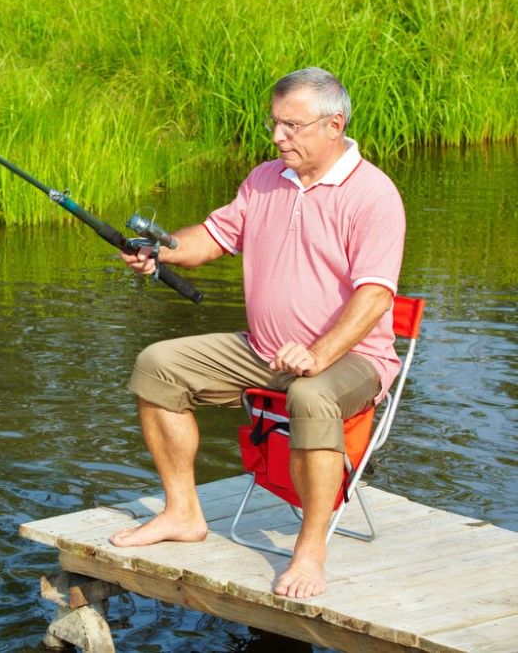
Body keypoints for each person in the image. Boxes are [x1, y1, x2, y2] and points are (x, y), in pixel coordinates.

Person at [111, 67, 405, 599]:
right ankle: (182, 513)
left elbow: (375, 297)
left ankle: (310, 550)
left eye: (291, 126)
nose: (277, 137)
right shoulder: (265, 179)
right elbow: (211, 237)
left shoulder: (374, 195)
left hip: (350, 359)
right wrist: (161, 250)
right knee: (158, 365)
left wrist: (317, 355)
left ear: (334, 124)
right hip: (264, 350)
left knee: (312, 396)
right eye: (275, 123)